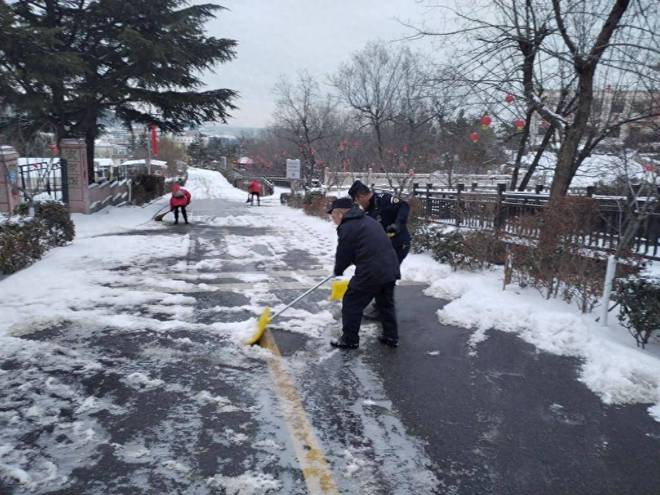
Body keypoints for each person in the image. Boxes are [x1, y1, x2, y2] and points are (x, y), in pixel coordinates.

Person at [328, 197, 401, 349]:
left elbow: (344, 253)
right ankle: (391, 337)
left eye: (332, 215)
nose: (332, 219)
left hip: (371, 272)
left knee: (351, 303)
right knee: (385, 304)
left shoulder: (348, 226)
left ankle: (349, 340)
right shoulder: (367, 220)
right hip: (390, 268)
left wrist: (338, 270)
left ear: (339, 213)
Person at [347, 180, 411, 263]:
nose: (359, 204)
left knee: (386, 271)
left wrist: (397, 225)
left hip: (399, 244)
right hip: (384, 247)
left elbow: (404, 205)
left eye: (357, 201)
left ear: (361, 196)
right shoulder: (367, 212)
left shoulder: (384, 199)